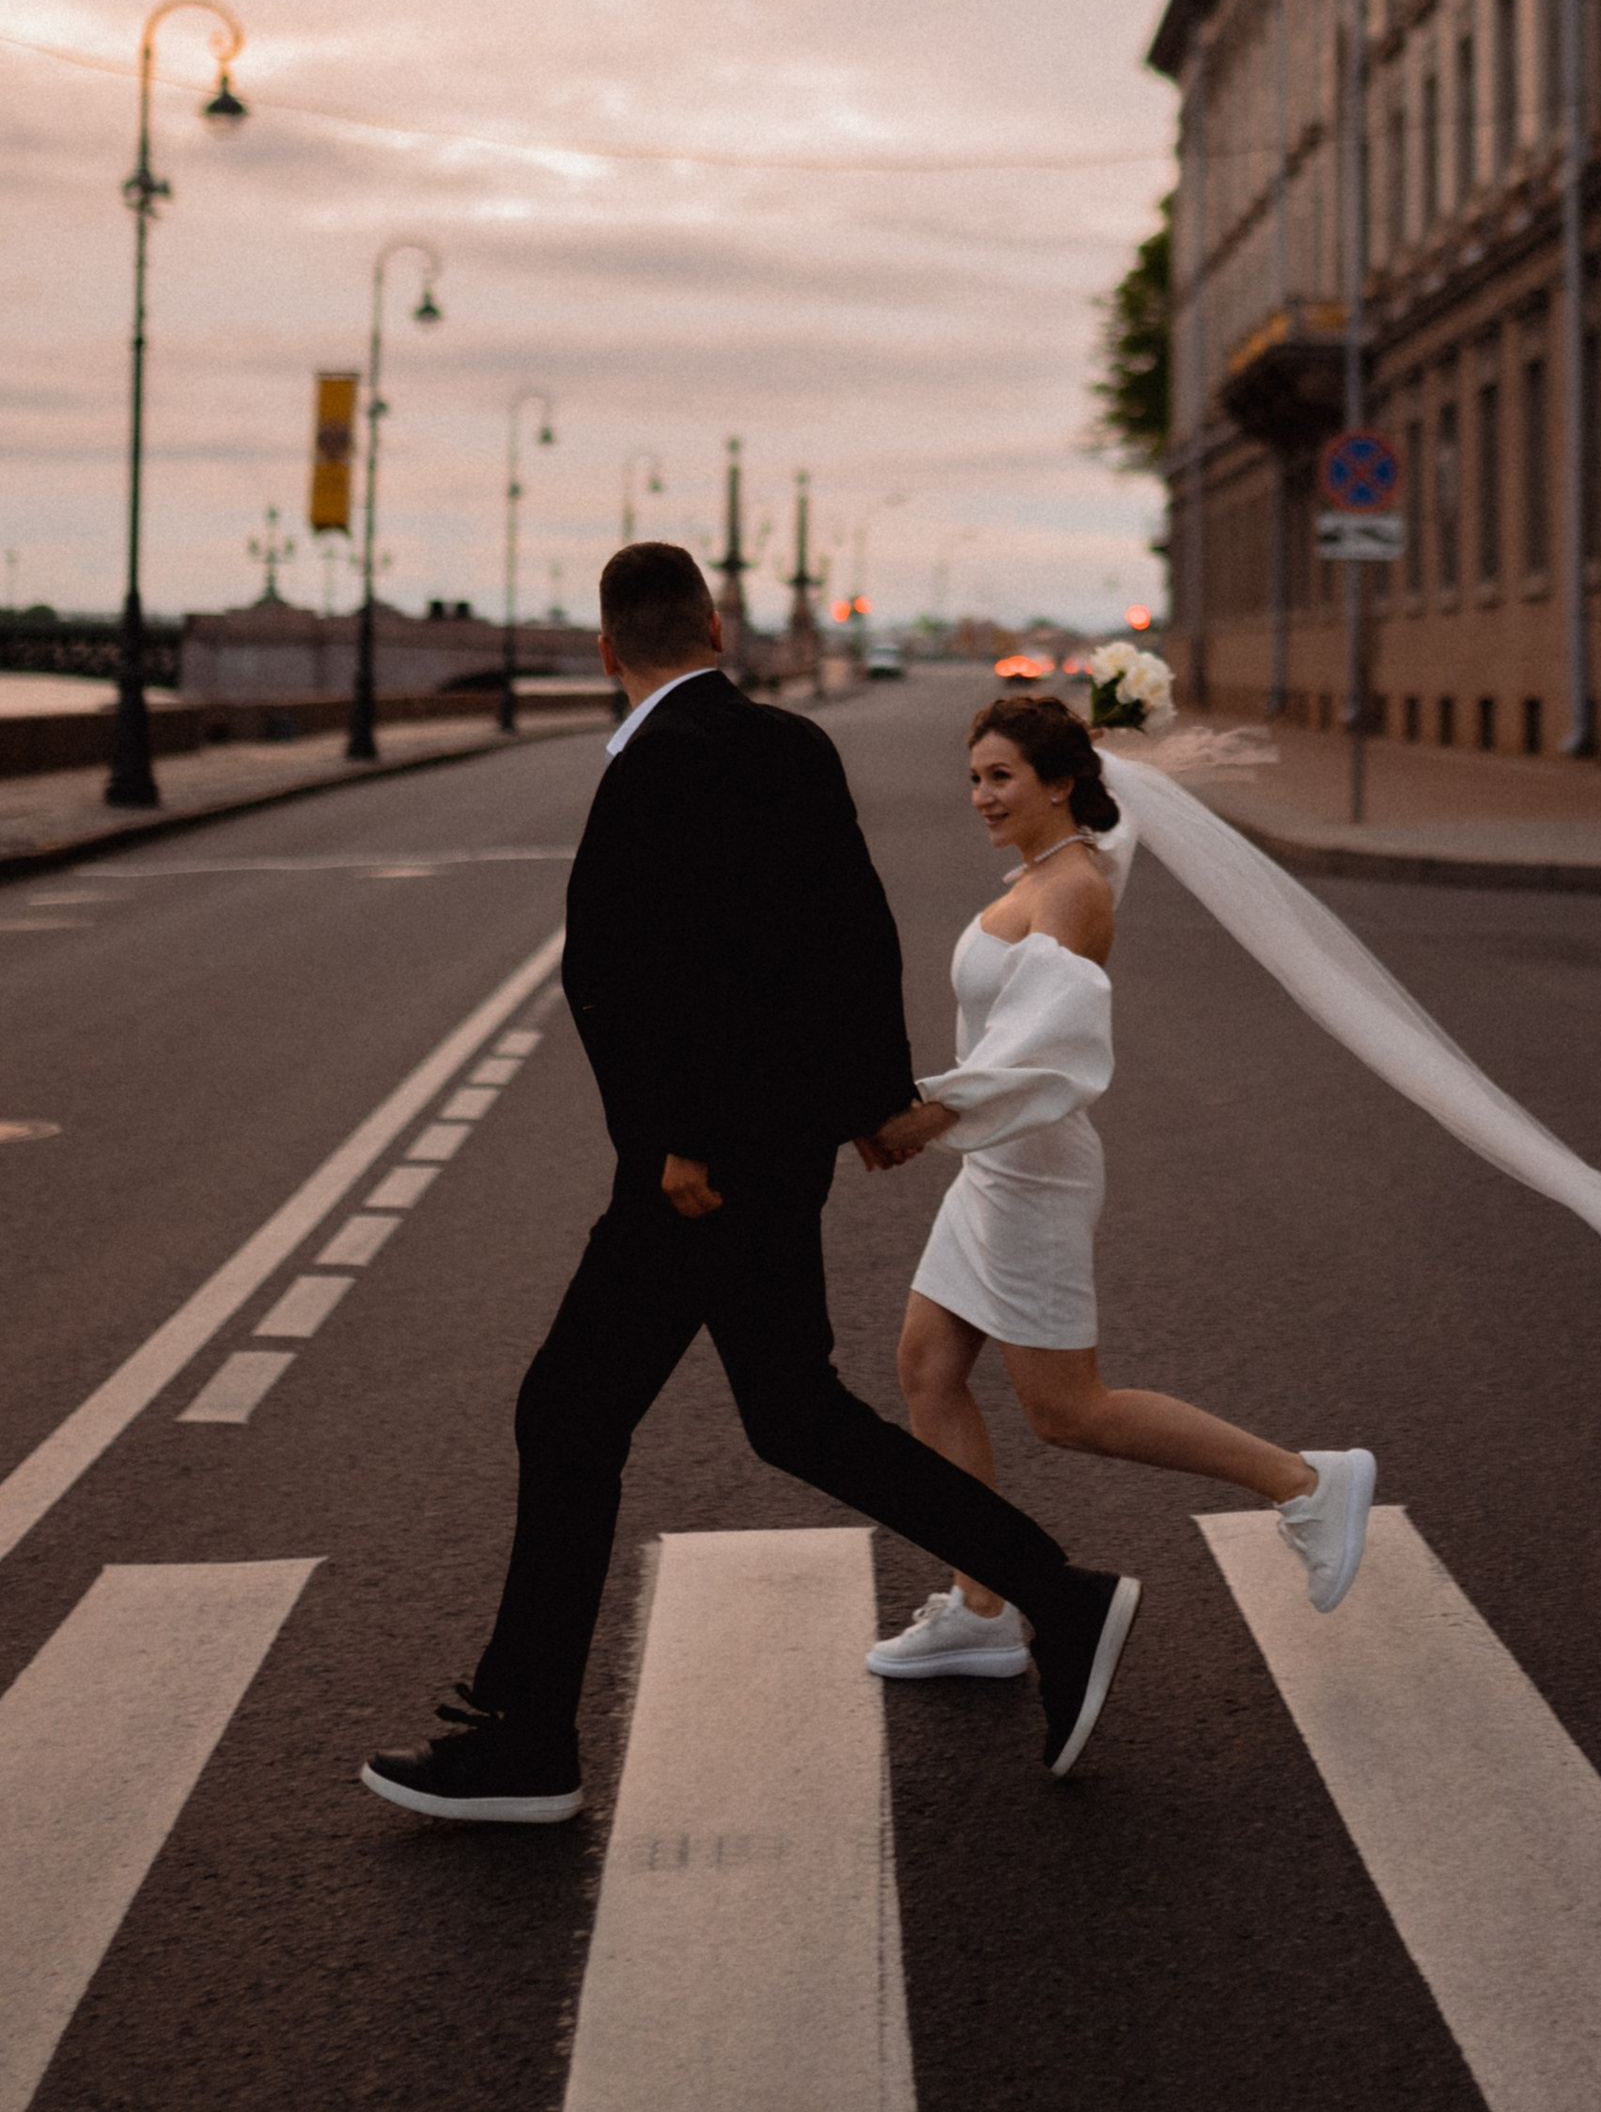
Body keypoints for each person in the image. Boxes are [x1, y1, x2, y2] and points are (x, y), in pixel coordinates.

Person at [361, 547, 1141, 1822]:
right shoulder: (792, 744)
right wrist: (871, 1099)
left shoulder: (650, 765)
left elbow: (629, 976)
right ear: (717, 626)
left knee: (569, 1412)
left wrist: (675, 1137)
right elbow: (849, 927)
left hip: (694, 1171)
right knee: (789, 1411)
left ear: (607, 651)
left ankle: (528, 1743)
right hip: (764, 1150)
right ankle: (1060, 1593)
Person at [861, 691, 1372, 1685]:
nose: (980, 795)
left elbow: (1049, 1034)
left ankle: (1306, 1481)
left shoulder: (1073, 890)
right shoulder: (1054, 865)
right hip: (995, 1164)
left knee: (1069, 1409)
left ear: (1059, 782)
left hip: (1030, 1169)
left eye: (1001, 775)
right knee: (927, 1364)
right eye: (974, 775)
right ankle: (980, 1606)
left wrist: (936, 1109)